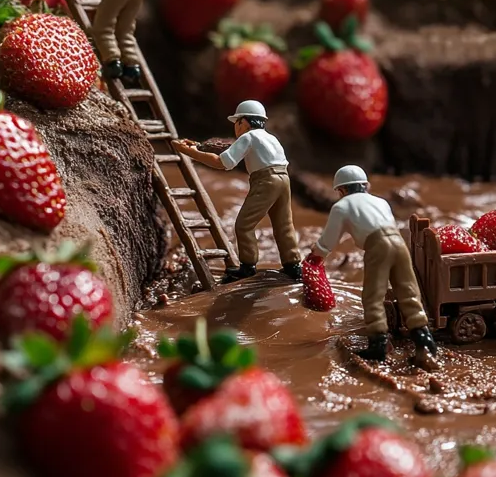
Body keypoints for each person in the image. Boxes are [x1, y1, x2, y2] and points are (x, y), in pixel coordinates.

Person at [311, 165, 437, 364]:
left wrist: (316, 255)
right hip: (399, 243)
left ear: (341, 190)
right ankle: (425, 341)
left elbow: (329, 238)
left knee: (373, 296)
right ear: (366, 186)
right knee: (409, 292)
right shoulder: (381, 202)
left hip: (377, 246)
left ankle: (378, 345)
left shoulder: (341, 206)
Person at [174, 100, 302, 285]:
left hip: (265, 179)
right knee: (284, 224)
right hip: (283, 178)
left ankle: (247, 267)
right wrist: (200, 147)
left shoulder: (248, 137)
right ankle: (293, 266)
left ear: (244, 122)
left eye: (236, 122)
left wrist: (190, 152)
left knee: (244, 225)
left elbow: (222, 163)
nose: (235, 127)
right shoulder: (271, 138)